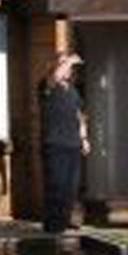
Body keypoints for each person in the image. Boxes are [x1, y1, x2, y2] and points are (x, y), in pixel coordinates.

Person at [38, 49, 89, 234]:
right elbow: (56, 75)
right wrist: (70, 59)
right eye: (63, 64)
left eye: (69, 66)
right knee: (56, 185)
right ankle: (52, 226)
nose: (68, 68)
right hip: (55, 144)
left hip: (73, 144)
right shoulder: (48, 85)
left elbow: (80, 116)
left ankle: (65, 220)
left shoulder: (73, 91)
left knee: (71, 187)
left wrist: (84, 138)